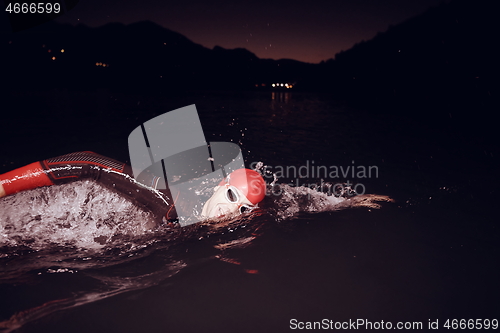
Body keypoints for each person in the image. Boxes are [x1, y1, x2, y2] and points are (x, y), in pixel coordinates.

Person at [0, 151, 266, 226]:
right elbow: (89, 162)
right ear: (222, 184)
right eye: (232, 195)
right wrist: (3, 185)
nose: (229, 210)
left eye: (242, 208)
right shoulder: (170, 201)